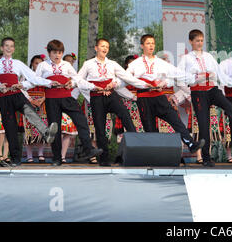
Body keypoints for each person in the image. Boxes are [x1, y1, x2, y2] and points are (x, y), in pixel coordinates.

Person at [177, 29, 232, 167]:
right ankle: (206, 158)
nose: (200, 43)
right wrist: (190, 90)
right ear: (191, 42)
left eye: (201, 40)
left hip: (213, 89)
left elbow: (219, 73)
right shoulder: (186, 59)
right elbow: (180, 78)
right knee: (204, 125)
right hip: (198, 93)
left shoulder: (208, 56)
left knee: (230, 107)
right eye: (197, 41)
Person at [0, 37, 58, 166]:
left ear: (13, 49)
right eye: (6, 45)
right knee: (10, 128)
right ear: (2, 48)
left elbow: (33, 77)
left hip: (17, 95)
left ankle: (46, 133)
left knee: (30, 112)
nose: (9, 48)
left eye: (11, 46)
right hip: (4, 98)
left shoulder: (18, 63)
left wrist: (50, 82)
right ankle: (15, 159)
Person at [126, 34, 205, 154]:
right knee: (150, 128)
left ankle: (191, 144)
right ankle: (153, 156)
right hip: (144, 98)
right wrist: (137, 88)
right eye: (148, 43)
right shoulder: (135, 64)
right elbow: (125, 78)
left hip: (159, 97)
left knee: (175, 120)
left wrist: (193, 77)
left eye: (152, 43)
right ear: (142, 46)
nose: (151, 45)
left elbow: (176, 73)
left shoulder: (160, 62)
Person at [31, 40, 103, 166]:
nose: (57, 55)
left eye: (59, 52)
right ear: (49, 53)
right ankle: (57, 158)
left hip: (67, 98)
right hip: (51, 99)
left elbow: (77, 79)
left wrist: (88, 85)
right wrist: (49, 83)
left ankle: (89, 150)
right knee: (55, 129)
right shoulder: (43, 65)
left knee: (81, 120)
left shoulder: (66, 65)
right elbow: (35, 79)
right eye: (54, 52)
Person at [77, 38, 148, 166]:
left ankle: (136, 144)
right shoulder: (88, 64)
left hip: (111, 95)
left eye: (107, 47)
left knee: (125, 114)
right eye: (102, 46)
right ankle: (104, 159)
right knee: (100, 127)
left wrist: (143, 84)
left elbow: (126, 77)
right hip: (96, 96)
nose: (105, 49)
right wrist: (93, 87)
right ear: (96, 48)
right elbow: (78, 80)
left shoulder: (112, 64)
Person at [23, 54, 48, 163]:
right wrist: (31, 100)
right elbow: (22, 89)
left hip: (42, 104)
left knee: (41, 129)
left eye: (40, 64)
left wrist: (42, 99)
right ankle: (29, 156)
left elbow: (49, 90)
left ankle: (41, 154)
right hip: (29, 103)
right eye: (35, 63)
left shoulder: (45, 77)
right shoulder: (26, 76)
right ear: (32, 64)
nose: (37, 65)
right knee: (29, 130)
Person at [60, 53, 79, 163]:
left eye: (70, 61)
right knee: (59, 130)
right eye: (66, 61)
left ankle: (63, 155)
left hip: (70, 103)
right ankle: (57, 154)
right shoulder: (61, 74)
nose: (68, 63)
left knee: (67, 132)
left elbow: (77, 89)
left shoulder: (75, 76)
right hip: (59, 103)